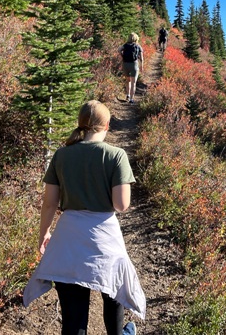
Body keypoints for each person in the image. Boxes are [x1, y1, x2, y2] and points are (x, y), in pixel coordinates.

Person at [23, 100, 145, 335]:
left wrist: (44, 234)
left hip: (67, 239)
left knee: (73, 320)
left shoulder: (61, 155)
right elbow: (121, 205)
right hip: (104, 238)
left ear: (80, 123)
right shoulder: (116, 155)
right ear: (107, 125)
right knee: (114, 299)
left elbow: (49, 203)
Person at [118, 33, 144, 104]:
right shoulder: (138, 46)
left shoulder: (125, 45)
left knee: (127, 80)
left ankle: (128, 95)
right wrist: (141, 66)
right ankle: (131, 99)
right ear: (136, 38)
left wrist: (122, 55)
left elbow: (119, 50)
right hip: (134, 65)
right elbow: (141, 58)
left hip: (125, 64)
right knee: (133, 82)